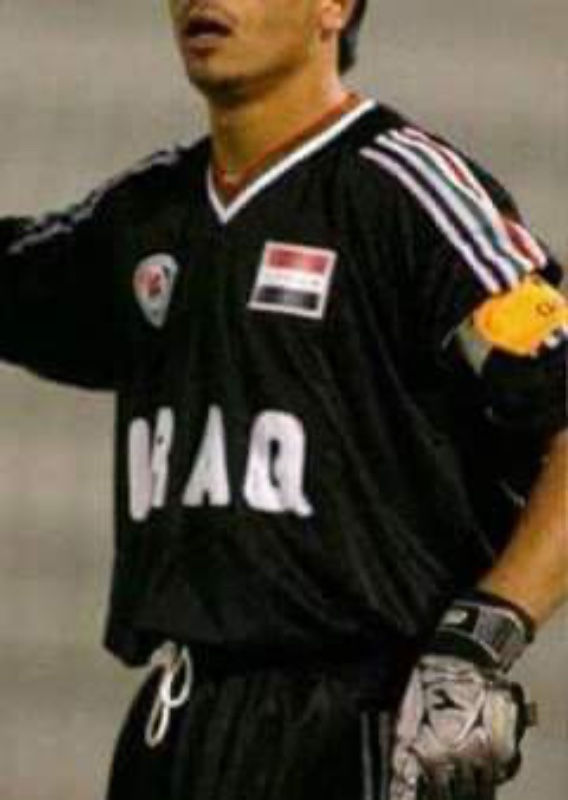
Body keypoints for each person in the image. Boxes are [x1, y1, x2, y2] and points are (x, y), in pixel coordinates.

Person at [1, 1, 566, 798]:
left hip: (362, 730)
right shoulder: (148, 216)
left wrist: (481, 639)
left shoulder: (404, 192)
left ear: (334, 6)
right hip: (177, 726)